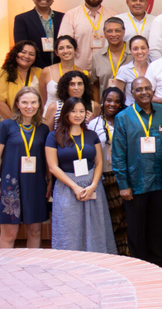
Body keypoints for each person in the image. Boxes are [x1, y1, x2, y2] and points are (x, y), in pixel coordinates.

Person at [113, 78, 162, 268]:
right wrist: (123, 185)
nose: (144, 92)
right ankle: (141, 268)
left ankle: (159, 266)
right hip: (136, 181)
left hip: (161, 181)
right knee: (137, 229)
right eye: (139, 89)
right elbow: (118, 153)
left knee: (159, 227)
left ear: (153, 90)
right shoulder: (123, 117)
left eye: (147, 88)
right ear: (132, 93)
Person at [46, 97, 117, 253]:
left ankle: (98, 264)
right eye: (73, 111)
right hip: (67, 186)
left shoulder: (91, 135)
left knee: (96, 227)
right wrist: (75, 187)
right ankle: (69, 266)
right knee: (69, 229)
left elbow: (99, 163)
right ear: (65, 113)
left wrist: (93, 185)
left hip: (92, 185)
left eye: (81, 111)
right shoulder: (54, 136)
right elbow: (52, 166)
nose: (78, 115)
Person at [0, 87, 50, 248]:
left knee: (35, 231)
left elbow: (47, 158)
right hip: (10, 184)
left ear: (39, 104)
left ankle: (31, 269)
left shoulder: (43, 129)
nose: (29, 106)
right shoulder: (6, 126)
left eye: (33, 102)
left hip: (36, 184)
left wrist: (49, 182)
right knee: (9, 233)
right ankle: (2, 270)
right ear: (17, 103)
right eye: (24, 102)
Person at [88, 87, 130, 256]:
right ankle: (111, 255)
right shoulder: (93, 124)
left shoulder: (126, 121)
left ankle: (126, 255)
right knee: (110, 218)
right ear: (103, 102)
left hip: (123, 175)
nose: (112, 104)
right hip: (104, 176)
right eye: (109, 100)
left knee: (125, 218)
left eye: (117, 101)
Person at [59, 0, 119, 68]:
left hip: (106, 69)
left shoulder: (113, 16)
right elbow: (64, 44)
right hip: (78, 70)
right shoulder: (71, 15)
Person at [14, 0, 64, 68]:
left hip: (59, 69)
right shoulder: (22, 19)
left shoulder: (64, 17)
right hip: (34, 69)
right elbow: (22, 48)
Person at [90, 17, 132, 98]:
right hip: (107, 106)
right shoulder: (97, 56)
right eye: (109, 31)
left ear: (123, 32)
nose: (113, 34)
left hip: (130, 106)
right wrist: (98, 106)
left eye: (117, 31)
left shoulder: (134, 53)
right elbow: (94, 84)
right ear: (104, 33)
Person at [37, 36, 83, 108]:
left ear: (75, 50)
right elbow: (42, 99)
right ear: (56, 52)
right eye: (61, 48)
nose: (65, 51)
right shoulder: (47, 71)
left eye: (69, 47)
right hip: (50, 115)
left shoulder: (83, 73)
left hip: (73, 115)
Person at [114, 36, 152, 106]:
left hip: (151, 109)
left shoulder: (154, 68)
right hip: (130, 110)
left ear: (148, 49)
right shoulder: (124, 70)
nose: (140, 51)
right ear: (130, 51)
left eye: (143, 48)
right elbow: (118, 95)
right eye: (135, 49)